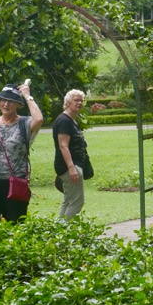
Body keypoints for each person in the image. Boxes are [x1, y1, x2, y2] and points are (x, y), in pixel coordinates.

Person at [0, 82, 44, 222]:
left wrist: (27, 95)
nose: (6, 104)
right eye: (3, 100)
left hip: (15, 183)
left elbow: (39, 119)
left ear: (18, 105)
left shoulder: (24, 124)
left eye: (11, 101)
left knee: (16, 224)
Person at [53, 89, 91, 219]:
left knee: (68, 201)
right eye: (76, 100)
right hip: (70, 167)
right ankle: (63, 231)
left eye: (82, 100)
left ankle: (59, 231)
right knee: (77, 202)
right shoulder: (64, 121)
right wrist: (71, 168)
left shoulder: (71, 120)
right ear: (68, 102)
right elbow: (63, 146)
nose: (79, 103)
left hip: (74, 165)